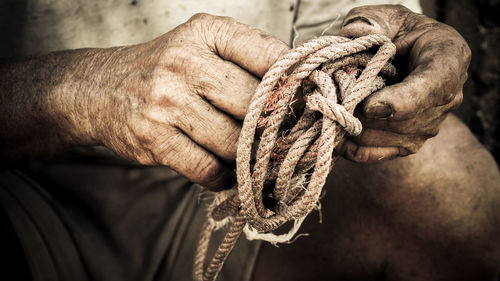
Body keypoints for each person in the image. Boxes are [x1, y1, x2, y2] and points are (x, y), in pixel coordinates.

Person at [0, 1, 499, 280]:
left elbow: (351, 27)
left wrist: (382, 45)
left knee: (452, 187)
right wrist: (76, 90)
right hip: (25, 188)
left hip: (241, 171)